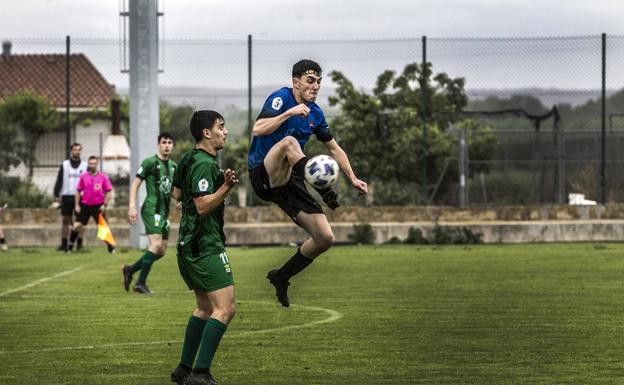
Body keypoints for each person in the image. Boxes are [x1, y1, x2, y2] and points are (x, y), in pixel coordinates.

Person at [248, 59, 368, 307]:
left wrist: (353, 178)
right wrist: (289, 112)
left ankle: (282, 276)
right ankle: (324, 188)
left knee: (324, 238)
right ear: (295, 82)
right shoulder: (281, 98)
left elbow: (334, 148)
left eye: (318, 82)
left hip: (289, 178)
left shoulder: (316, 113)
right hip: (263, 173)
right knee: (290, 141)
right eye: (310, 81)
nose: (315, 86)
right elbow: (258, 129)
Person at [168, 110, 238, 385]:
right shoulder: (206, 164)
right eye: (221, 127)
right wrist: (225, 187)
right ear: (207, 133)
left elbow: (176, 193)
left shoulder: (187, 158)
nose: (226, 131)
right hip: (205, 245)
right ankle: (200, 373)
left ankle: (184, 369)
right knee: (225, 308)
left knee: (204, 307)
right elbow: (201, 206)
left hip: (187, 245)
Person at [121, 132, 177, 294]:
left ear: (172, 146)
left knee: (161, 250)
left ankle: (130, 269)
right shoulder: (149, 163)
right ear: (158, 144)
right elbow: (135, 185)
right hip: (151, 209)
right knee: (156, 244)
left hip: (164, 212)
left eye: (169, 142)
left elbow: (171, 190)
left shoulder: (174, 167)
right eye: (164, 142)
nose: (167, 145)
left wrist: (180, 200)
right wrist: (132, 206)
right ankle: (140, 283)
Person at [66, 156, 114, 253]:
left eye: (94, 163)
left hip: (98, 206)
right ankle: (70, 246)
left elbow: (109, 192)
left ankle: (110, 247)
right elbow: (78, 191)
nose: (92, 165)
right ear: (88, 164)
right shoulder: (83, 177)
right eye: (90, 163)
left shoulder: (103, 177)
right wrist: (77, 205)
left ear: (97, 164)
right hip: (85, 205)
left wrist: (104, 204)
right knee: (76, 226)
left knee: (103, 228)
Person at [53, 143, 87, 251]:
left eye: (78, 150)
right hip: (67, 196)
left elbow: (88, 181)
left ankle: (79, 244)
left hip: (80, 197)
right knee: (65, 220)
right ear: (71, 151)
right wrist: (56, 193)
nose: (77, 151)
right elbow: (59, 179)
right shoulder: (65, 164)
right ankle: (64, 244)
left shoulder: (85, 165)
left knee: (79, 221)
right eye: (75, 149)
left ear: (80, 151)